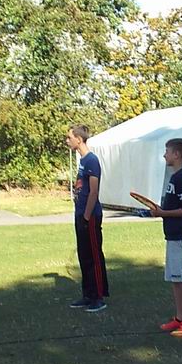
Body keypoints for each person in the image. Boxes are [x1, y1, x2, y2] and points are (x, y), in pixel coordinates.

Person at [152, 139, 182, 337]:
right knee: (175, 278)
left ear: (177, 155)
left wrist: (163, 213)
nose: (165, 155)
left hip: (180, 235)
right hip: (171, 235)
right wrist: (160, 211)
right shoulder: (174, 177)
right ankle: (180, 317)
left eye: (167, 151)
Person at [66, 125, 108, 312]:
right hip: (80, 214)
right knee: (84, 256)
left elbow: (94, 192)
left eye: (69, 138)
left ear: (79, 139)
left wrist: (86, 216)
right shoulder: (82, 161)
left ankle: (98, 296)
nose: (67, 141)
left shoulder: (92, 160)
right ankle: (87, 294)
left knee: (93, 256)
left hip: (89, 216)